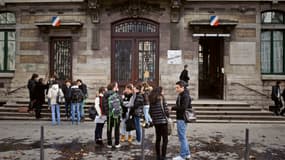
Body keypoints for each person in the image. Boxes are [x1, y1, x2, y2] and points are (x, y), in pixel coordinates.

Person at [172, 80, 191, 160]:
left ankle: (182, 156)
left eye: (177, 87)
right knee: (182, 137)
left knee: (182, 137)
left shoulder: (185, 95)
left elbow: (183, 107)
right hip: (180, 118)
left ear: (182, 87)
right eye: (176, 88)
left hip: (182, 118)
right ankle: (187, 154)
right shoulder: (181, 94)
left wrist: (173, 108)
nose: (176, 89)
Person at [149, 86, 169, 160]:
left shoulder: (151, 99)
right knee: (165, 139)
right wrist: (168, 115)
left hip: (156, 122)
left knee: (158, 139)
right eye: (162, 91)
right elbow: (166, 110)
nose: (163, 92)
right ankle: (163, 156)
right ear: (160, 91)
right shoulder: (161, 98)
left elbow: (150, 112)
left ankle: (158, 156)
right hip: (163, 122)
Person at [103, 82, 122, 148]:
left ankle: (109, 143)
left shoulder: (105, 94)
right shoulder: (116, 94)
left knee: (109, 129)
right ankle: (117, 143)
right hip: (116, 115)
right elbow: (121, 103)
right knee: (117, 129)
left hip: (109, 115)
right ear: (114, 87)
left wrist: (107, 113)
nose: (117, 87)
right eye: (116, 86)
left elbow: (104, 105)